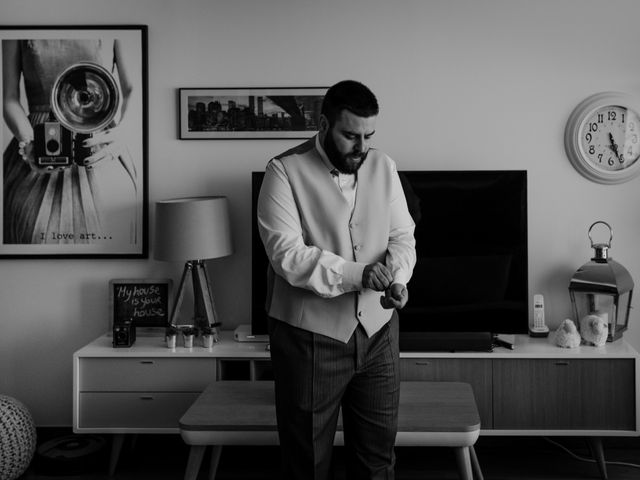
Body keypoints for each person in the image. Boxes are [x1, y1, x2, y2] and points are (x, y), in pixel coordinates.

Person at [257, 80, 416, 480]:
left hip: (380, 334)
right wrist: (357, 274)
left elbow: (401, 236)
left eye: (368, 136)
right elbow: (287, 256)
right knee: (307, 463)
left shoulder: (384, 166)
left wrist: (396, 278)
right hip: (308, 339)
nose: (361, 147)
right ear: (324, 123)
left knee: (378, 461)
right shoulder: (283, 171)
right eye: (350, 135)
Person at [2, 38, 138, 245]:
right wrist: (29, 142)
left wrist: (123, 132)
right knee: (30, 227)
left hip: (100, 139)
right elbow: (9, 98)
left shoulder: (116, 15)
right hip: (39, 138)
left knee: (113, 230)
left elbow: (132, 90)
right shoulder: (17, 21)